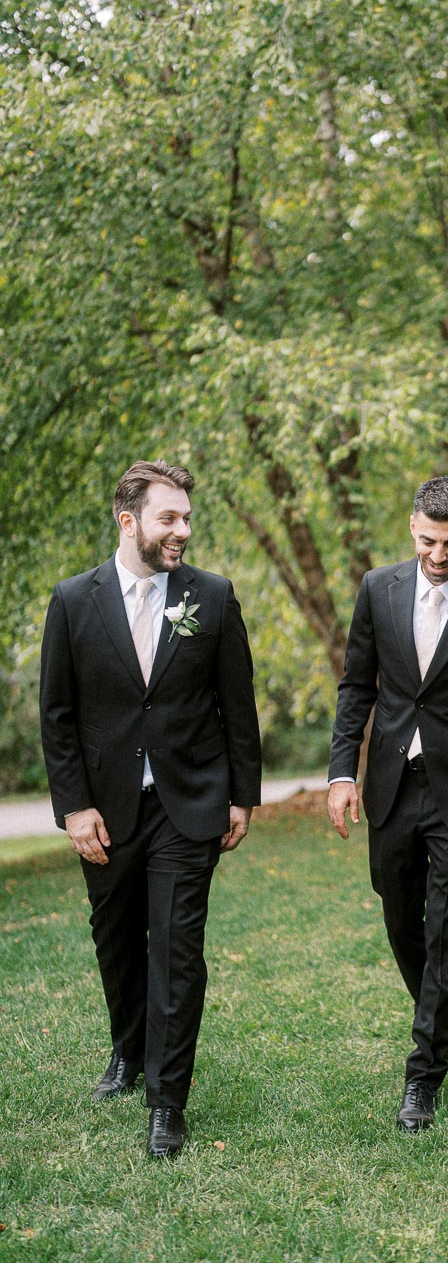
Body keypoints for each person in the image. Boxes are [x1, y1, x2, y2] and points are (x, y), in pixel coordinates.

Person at [40, 459, 261, 1159]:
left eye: (187, 518)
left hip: (188, 803)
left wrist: (241, 795)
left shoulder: (214, 597)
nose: (183, 531)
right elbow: (57, 716)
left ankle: (168, 1102)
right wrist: (75, 808)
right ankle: (127, 1052)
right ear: (128, 520)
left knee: (175, 947)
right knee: (116, 940)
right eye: (170, 518)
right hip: (104, 808)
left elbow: (239, 705)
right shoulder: (74, 601)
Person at [327, 475, 448, 1132]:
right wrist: (339, 773)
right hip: (388, 781)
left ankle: (424, 1072)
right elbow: (356, 685)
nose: (438, 555)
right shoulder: (377, 589)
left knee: (445, 921)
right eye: (426, 541)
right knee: (397, 908)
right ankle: (438, 1009)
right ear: (411, 528)